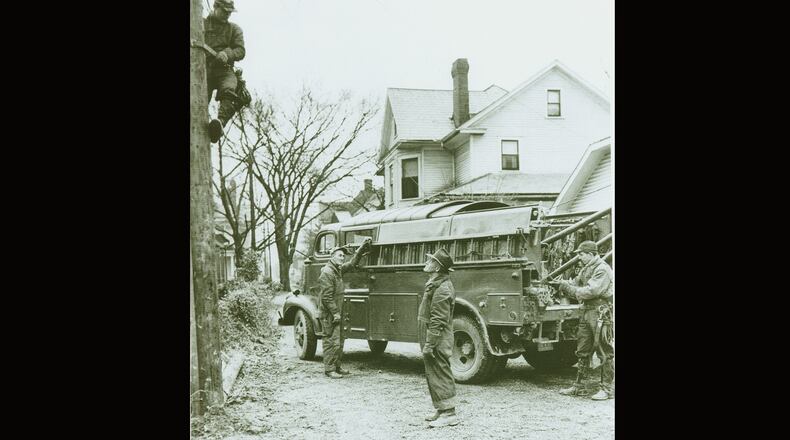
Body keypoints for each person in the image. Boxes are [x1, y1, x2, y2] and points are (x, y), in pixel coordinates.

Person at [557, 240, 614, 400]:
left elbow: (592, 291)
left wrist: (571, 290)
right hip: (586, 312)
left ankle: (607, 389)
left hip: (599, 313)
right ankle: (579, 387)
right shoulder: (587, 268)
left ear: (591, 254)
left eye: (581, 254)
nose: (579, 257)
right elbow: (575, 282)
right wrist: (563, 283)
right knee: (582, 349)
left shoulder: (602, 269)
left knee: (604, 350)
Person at [318, 239, 372, 379]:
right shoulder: (327, 273)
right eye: (339, 256)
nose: (342, 258)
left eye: (343, 256)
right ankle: (329, 369)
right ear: (332, 257)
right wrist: (335, 313)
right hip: (329, 313)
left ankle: (337, 366)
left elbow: (352, 263)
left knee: (340, 340)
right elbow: (327, 297)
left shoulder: (337, 269)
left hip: (336, 311)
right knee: (331, 341)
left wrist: (361, 249)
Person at [418, 248, 459, 428]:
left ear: (437, 267)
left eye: (431, 261)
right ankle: (441, 409)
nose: (427, 263)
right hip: (435, 335)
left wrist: (429, 344)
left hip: (438, 337)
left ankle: (449, 413)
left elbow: (438, 320)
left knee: (440, 370)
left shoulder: (442, 288)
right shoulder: (437, 282)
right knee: (434, 371)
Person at [203, 0, 245, 143]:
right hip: (202, 70)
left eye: (229, 12)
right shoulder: (199, 24)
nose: (227, 15)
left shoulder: (234, 29)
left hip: (224, 69)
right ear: (215, 7)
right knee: (199, 100)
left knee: (230, 90)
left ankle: (219, 125)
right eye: (224, 11)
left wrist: (227, 54)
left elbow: (240, 50)